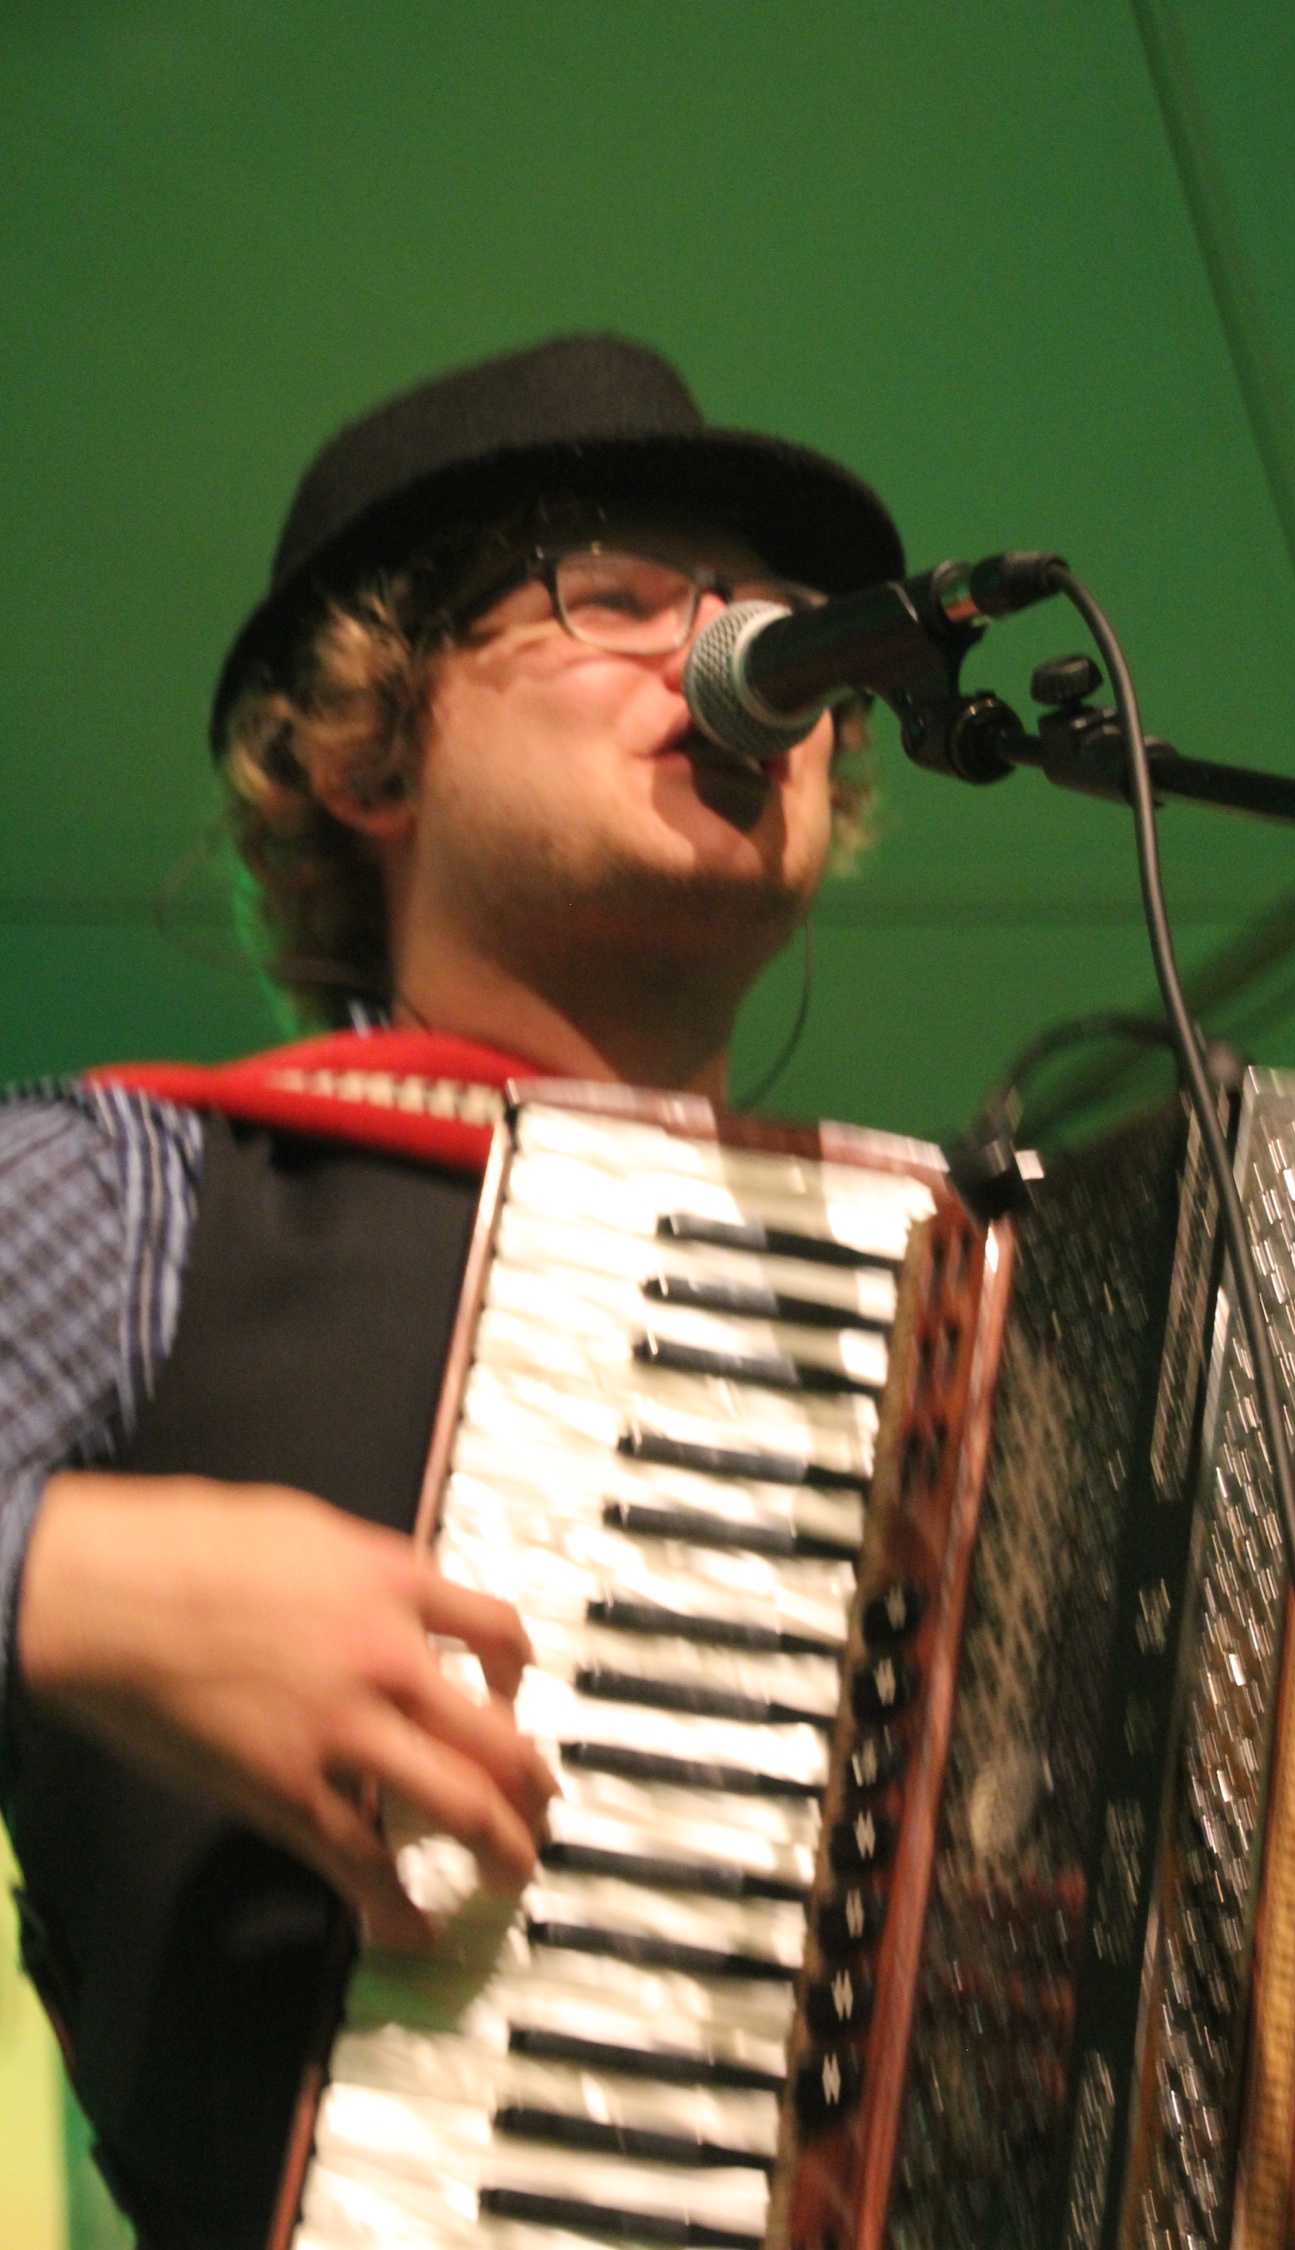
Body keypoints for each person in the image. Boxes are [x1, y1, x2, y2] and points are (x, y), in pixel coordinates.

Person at [0, 334, 904, 2248]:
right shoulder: (140, 1190)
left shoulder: (960, 1320)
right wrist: (74, 1577)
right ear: (367, 747)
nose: (739, 653)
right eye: (621, 596)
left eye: (768, 613)